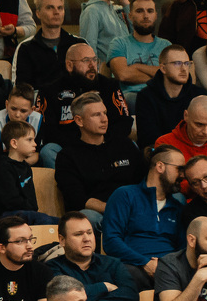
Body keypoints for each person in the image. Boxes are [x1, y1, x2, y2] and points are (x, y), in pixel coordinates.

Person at [102, 144, 189, 290]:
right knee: (126, 274)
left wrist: (166, 267)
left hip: (169, 271)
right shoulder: (125, 195)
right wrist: (145, 262)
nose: (183, 175)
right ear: (160, 167)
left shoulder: (177, 207)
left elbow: (182, 248)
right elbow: (111, 241)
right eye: (179, 169)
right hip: (134, 266)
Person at [54, 93, 149, 225]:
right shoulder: (67, 156)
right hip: (100, 214)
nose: (104, 119)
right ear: (79, 120)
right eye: (96, 115)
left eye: (104, 113)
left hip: (133, 207)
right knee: (88, 217)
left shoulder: (125, 145)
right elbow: (78, 199)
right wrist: (114, 208)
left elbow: (144, 180)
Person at [36, 44, 133, 162]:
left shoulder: (109, 86)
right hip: (69, 151)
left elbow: (124, 122)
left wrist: (100, 140)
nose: (92, 65)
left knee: (130, 146)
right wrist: (81, 144)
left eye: (94, 60)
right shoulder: (50, 90)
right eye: (86, 60)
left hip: (105, 145)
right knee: (48, 150)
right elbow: (47, 131)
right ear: (69, 65)